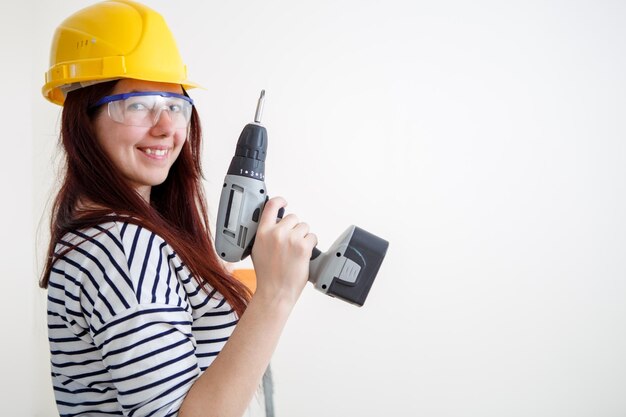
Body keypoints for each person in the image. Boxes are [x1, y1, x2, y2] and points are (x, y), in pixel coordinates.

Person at [40, 1, 317, 416]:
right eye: (137, 103)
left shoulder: (103, 238)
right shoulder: (122, 252)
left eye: (175, 104)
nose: (167, 127)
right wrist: (275, 297)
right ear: (84, 118)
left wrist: (220, 290)